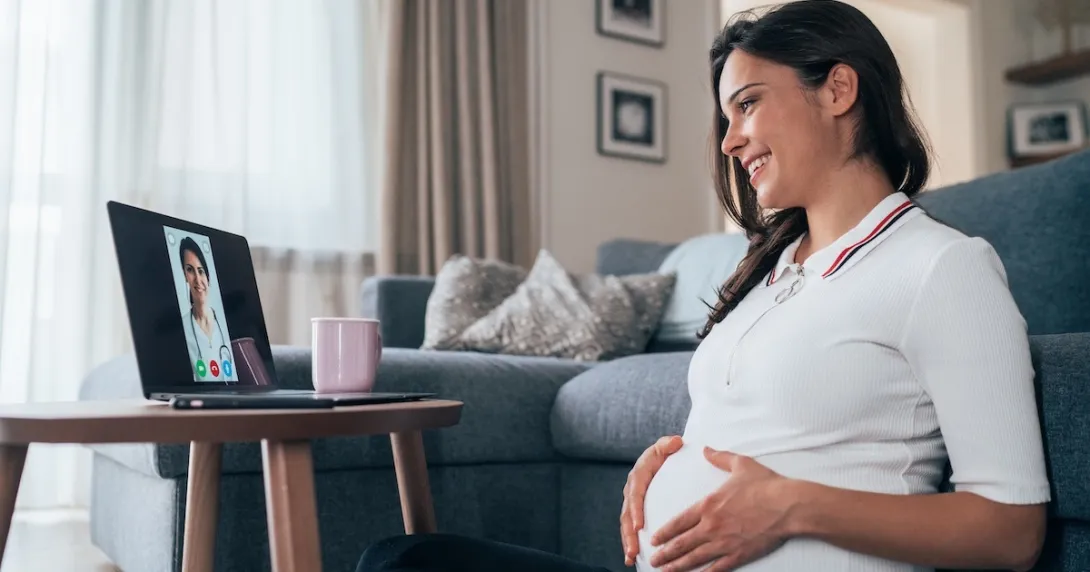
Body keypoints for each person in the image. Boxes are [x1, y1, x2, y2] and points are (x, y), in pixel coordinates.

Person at [356, 2, 1051, 571]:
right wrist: (677, 458)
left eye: (747, 104)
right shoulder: (769, 271)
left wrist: (790, 507)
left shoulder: (942, 267)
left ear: (839, 90)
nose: (729, 140)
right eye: (727, 116)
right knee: (403, 558)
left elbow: (1012, 531)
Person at [178, 236, 230, 380]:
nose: (197, 279)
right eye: (190, 270)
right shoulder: (181, 329)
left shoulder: (225, 324)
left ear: (207, 276)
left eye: (201, 271)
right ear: (184, 274)